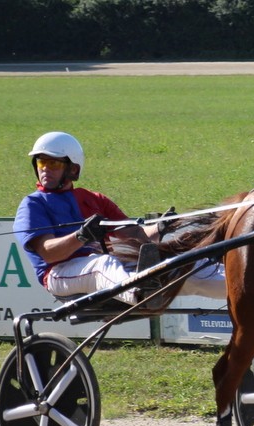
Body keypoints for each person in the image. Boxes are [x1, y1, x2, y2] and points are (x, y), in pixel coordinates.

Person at [13, 131, 161, 307]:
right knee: (103, 264)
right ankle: (140, 296)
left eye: (52, 163)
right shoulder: (32, 204)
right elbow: (49, 253)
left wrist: (162, 227)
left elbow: (136, 234)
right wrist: (81, 236)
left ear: (73, 169)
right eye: (41, 162)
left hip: (96, 267)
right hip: (58, 274)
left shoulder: (94, 199)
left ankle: (191, 290)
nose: (45, 168)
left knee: (163, 262)